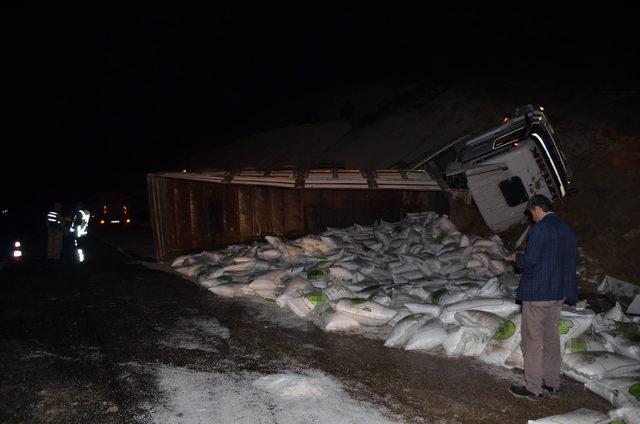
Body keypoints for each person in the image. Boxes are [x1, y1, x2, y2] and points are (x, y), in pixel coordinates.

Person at [507, 194, 577, 400]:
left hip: (538, 294)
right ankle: (553, 383)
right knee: (551, 339)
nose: (532, 218)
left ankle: (533, 388)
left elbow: (531, 260)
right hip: (558, 294)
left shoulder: (541, 228)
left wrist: (517, 258)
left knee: (532, 340)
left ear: (537, 208)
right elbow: (570, 261)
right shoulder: (567, 228)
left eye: (531, 213)